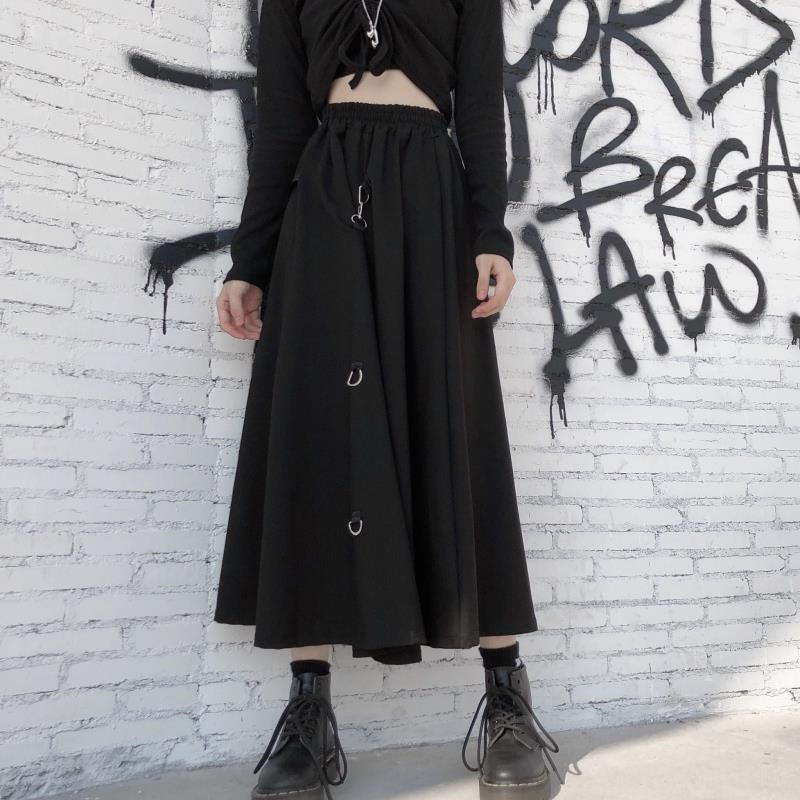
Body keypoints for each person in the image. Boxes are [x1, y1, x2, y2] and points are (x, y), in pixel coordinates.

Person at [213, 0, 562, 798]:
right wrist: (249, 261)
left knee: (459, 430)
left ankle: (506, 695)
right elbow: (279, 128)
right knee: (318, 435)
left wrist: (490, 233)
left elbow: (478, 107)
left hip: (429, 204)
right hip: (324, 200)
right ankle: (309, 712)